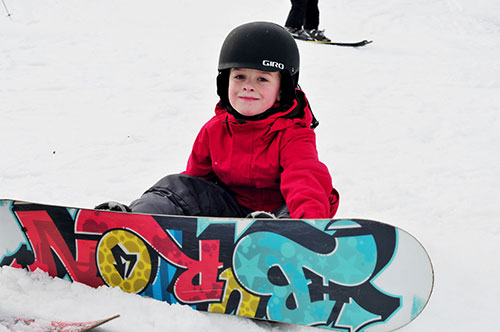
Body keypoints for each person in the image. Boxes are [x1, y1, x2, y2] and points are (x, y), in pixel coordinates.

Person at [97, 22, 339, 219]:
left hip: (279, 216)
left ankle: (279, 234)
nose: (248, 86)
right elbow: (193, 187)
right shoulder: (214, 131)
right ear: (225, 83)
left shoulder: (293, 135)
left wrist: (310, 226)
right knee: (176, 185)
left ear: (283, 89)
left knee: (300, 201)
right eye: (240, 76)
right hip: (228, 216)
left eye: (262, 79)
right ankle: (135, 224)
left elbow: (304, 182)